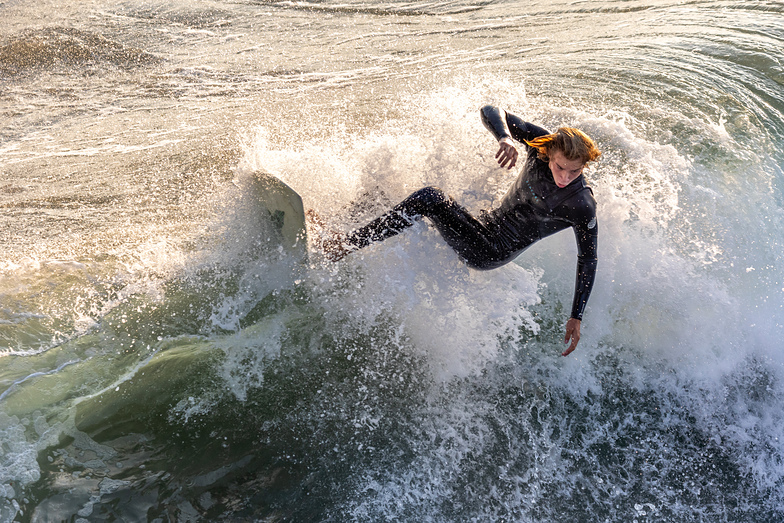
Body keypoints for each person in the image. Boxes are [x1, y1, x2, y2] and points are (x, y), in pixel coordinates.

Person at [313, 105, 600, 356]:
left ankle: (342, 246)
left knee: (430, 198)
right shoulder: (539, 143)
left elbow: (588, 258)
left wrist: (576, 316)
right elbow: (491, 109)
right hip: (481, 225)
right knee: (386, 195)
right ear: (548, 152)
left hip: (490, 251)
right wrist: (504, 137)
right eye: (561, 167)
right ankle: (337, 225)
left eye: (575, 171)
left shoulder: (581, 204)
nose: (565, 177)